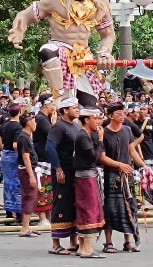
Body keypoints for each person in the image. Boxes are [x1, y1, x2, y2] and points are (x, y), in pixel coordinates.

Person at [8, 0, 117, 107]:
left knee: (90, 110)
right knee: (47, 50)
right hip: (61, 50)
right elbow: (24, 15)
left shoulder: (100, 6)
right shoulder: (53, 0)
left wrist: (105, 53)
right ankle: (57, 96)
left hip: (84, 58)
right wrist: (18, 29)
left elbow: (108, 35)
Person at [99, 102, 145, 254]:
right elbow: (102, 157)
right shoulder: (104, 133)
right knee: (110, 209)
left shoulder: (127, 130)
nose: (122, 115)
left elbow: (132, 151)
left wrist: (144, 166)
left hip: (127, 175)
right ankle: (108, 242)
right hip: (111, 176)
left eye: (123, 113)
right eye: (118, 113)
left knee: (129, 208)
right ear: (110, 116)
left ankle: (128, 241)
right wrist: (119, 164)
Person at [46, 97, 79, 255]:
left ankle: (74, 240)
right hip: (62, 171)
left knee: (73, 204)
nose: (77, 109)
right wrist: (58, 169)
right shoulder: (58, 127)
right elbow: (50, 148)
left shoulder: (76, 126)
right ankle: (55, 243)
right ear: (65, 110)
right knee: (60, 203)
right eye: (74, 107)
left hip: (74, 171)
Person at [74, 107, 106, 258]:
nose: (98, 122)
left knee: (85, 207)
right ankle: (87, 248)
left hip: (85, 175)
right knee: (89, 209)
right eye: (95, 118)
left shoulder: (86, 135)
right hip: (86, 177)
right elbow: (93, 157)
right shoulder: (83, 136)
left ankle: (82, 246)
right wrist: (100, 140)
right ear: (87, 120)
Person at [0, 103, 23, 224]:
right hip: (13, 155)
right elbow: (16, 145)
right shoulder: (18, 127)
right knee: (17, 183)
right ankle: (19, 213)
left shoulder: (5, 124)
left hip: (5, 154)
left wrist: (2, 147)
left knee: (8, 183)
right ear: (19, 112)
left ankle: (9, 212)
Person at [33, 94, 56, 226]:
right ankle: (43, 218)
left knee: (48, 189)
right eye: (53, 105)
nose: (54, 107)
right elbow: (52, 134)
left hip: (45, 157)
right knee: (43, 188)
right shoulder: (41, 119)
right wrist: (54, 123)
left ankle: (48, 217)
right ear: (47, 105)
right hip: (42, 158)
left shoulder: (44, 118)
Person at [16, 112, 40, 237]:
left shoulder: (26, 137)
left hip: (29, 169)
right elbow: (25, 158)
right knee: (30, 196)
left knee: (31, 196)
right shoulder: (24, 137)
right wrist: (31, 175)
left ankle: (27, 225)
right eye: (34, 121)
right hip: (26, 170)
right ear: (29, 123)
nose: (36, 124)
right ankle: (25, 228)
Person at [136, 102, 153, 209]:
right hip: (138, 155)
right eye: (140, 109)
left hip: (151, 153)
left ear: (147, 110)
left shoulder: (152, 122)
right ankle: (140, 202)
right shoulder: (134, 123)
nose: (142, 111)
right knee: (139, 179)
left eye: (144, 109)